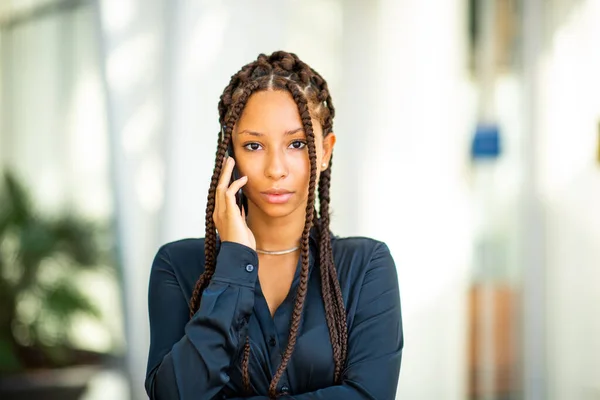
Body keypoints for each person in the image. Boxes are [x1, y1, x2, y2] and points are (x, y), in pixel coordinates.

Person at [145, 51, 403, 399]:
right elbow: (173, 394)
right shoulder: (178, 267)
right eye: (254, 145)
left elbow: (369, 395)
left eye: (296, 144)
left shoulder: (366, 265)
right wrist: (234, 264)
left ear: (325, 151)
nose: (275, 169)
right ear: (230, 154)